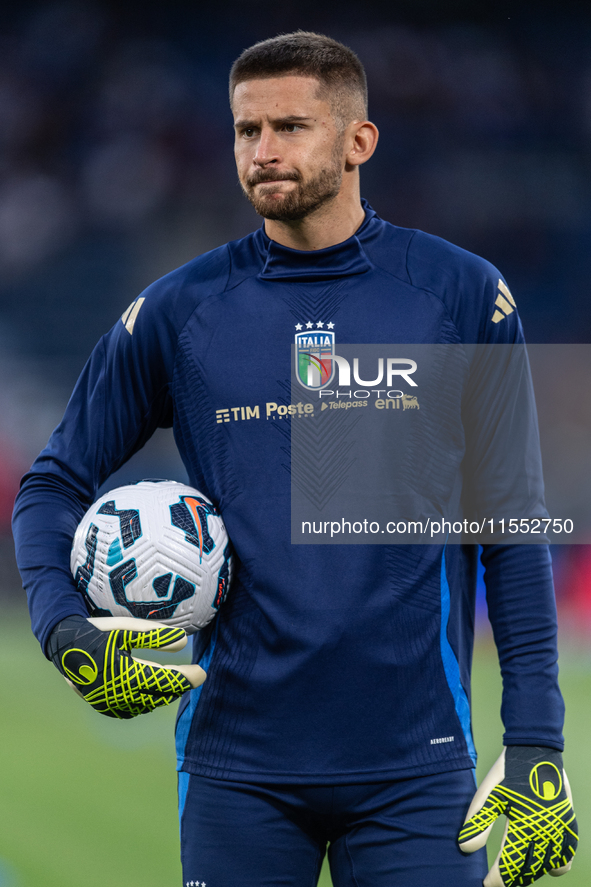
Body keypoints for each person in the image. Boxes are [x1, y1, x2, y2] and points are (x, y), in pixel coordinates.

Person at [12, 31, 577, 887]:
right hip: (237, 765)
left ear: (358, 141)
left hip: (416, 766)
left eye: (290, 126)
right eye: (246, 130)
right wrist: (64, 628)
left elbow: (509, 522)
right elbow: (52, 483)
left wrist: (536, 736)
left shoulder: (458, 294)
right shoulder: (179, 311)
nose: (264, 150)